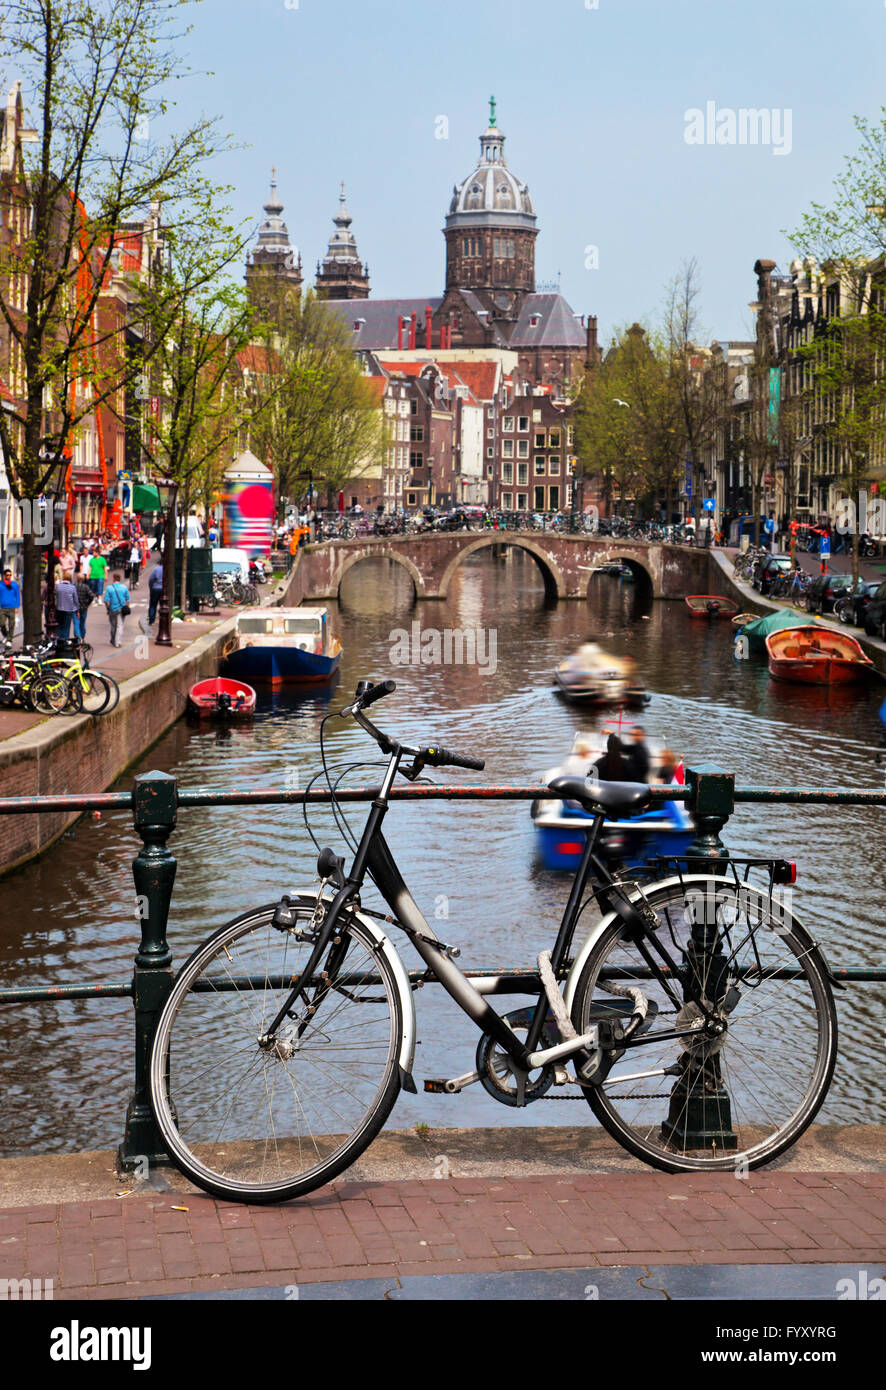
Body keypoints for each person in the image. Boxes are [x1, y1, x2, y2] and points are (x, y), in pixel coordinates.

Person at [104, 571, 130, 647]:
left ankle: (113, 639)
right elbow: (128, 600)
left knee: (113, 625)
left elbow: (106, 600)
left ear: (113, 579)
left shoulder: (109, 588)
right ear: (120, 579)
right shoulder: (124, 587)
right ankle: (117, 642)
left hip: (112, 609)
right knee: (120, 625)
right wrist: (126, 607)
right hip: (121, 609)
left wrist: (107, 609)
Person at [54, 572, 80, 641]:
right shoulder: (72, 587)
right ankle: (65, 642)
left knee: (59, 626)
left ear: (63, 578)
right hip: (69, 610)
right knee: (66, 627)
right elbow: (76, 600)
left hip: (59, 609)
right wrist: (77, 610)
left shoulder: (58, 586)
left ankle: (58, 641)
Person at [0, 568, 21, 644]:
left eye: (10, 575)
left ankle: (9, 640)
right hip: (2, 608)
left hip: (12, 607)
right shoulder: (1, 585)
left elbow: (18, 596)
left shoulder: (14, 585)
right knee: (1, 624)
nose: (9, 576)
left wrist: (17, 606)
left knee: (11, 625)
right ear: (4, 576)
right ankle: (6, 635)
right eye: (7, 575)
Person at [74, 571, 94, 639]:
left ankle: (78, 640)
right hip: (84, 607)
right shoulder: (85, 587)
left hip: (75, 608)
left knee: (76, 624)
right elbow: (91, 596)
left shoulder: (74, 586)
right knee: (82, 624)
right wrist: (87, 603)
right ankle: (82, 638)